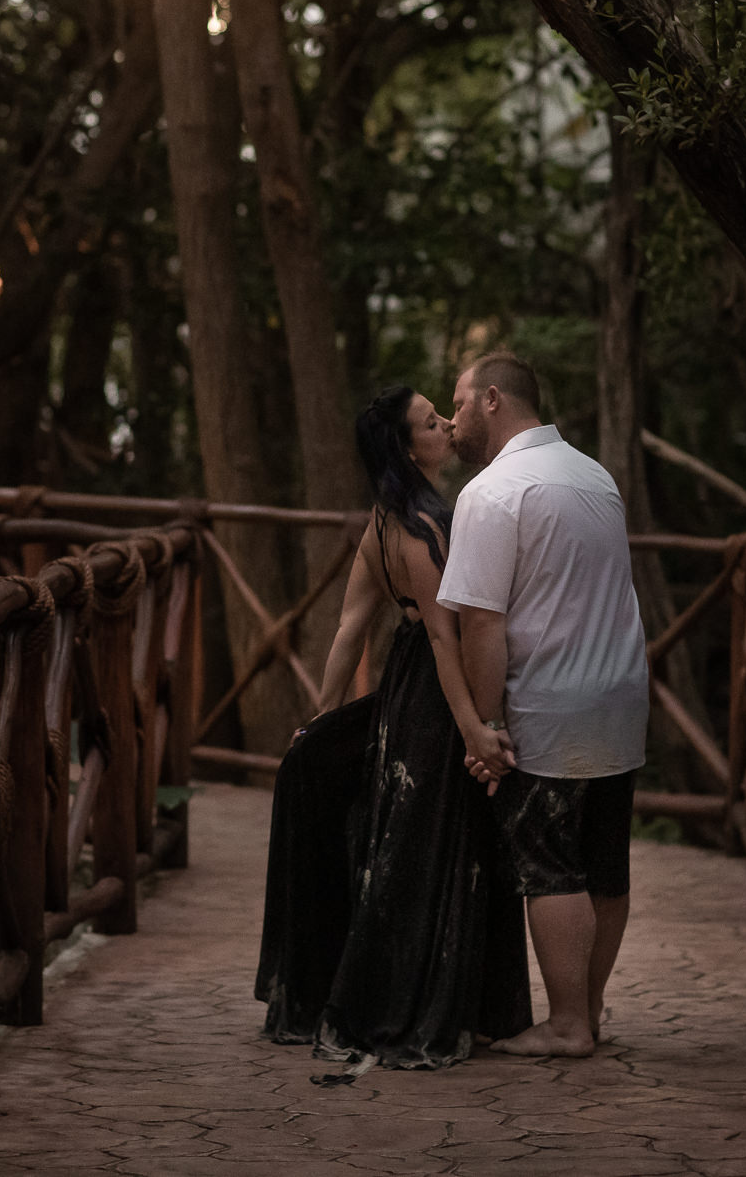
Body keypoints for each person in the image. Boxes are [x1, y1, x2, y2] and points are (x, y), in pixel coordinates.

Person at [255, 385, 532, 1069]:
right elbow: (446, 638)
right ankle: (420, 1002)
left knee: (411, 845)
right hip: (438, 696)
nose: (446, 425)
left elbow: (351, 629)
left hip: (407, 690)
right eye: (432, 422)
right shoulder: (425, 525)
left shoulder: (382, 523)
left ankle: (452, 998)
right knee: (436, 845)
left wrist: (321, 719)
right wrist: (475, 727)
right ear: (412, 448)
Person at [437, 352, 649, 1058]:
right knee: (604, 863)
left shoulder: (494, 491)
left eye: (461, 401)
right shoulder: (596, 476)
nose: (454, 415)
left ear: (493, 399)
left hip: (549, 705)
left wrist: (486, 723)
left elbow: (482, 622)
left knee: (550, 864)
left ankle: (565, 1023)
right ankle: (586, 1008)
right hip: (618, 695)